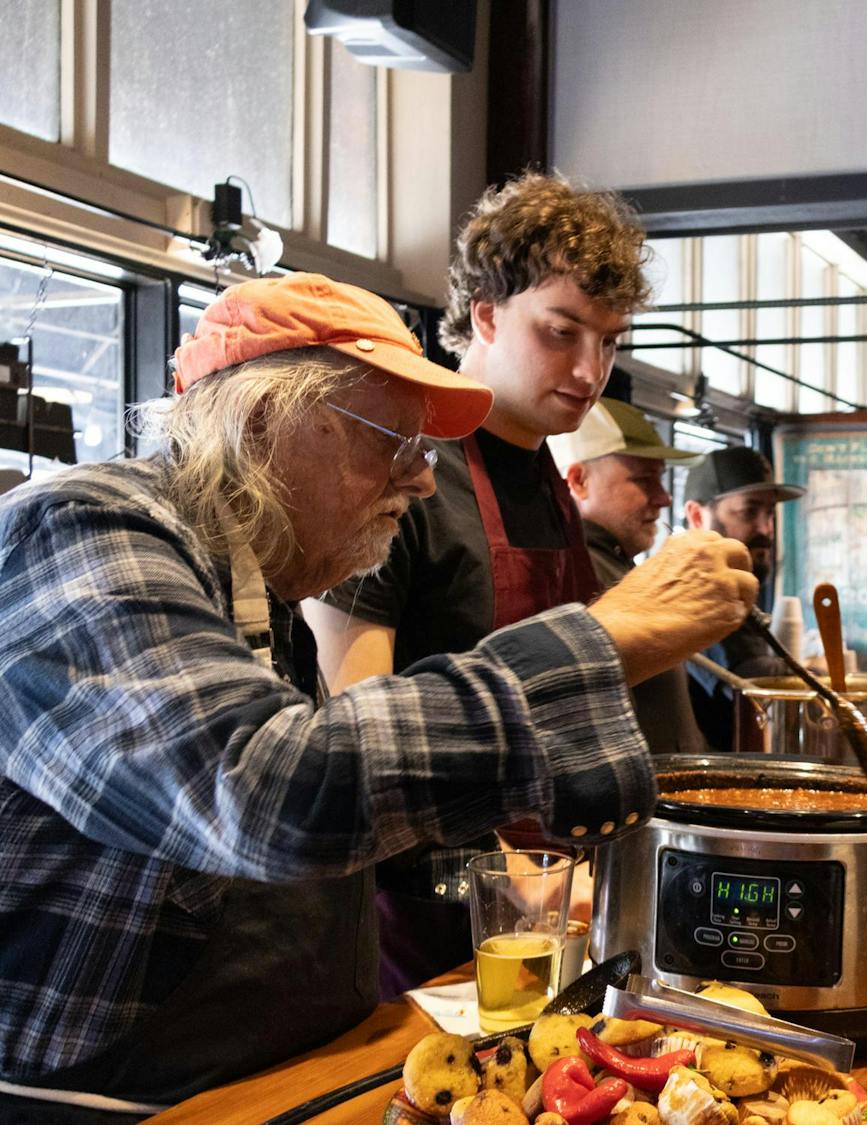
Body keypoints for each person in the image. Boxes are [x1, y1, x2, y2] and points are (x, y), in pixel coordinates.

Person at [0, 273, 756, 1121]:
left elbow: (321, 845)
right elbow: (260, 790)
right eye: (391, 440)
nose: (423, 480)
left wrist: (501, 884)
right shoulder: (79, 527)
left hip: (291, 1071)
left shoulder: (264, 592)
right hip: (104, 1100)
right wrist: (609, 636)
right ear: (262, 423)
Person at [304, 171, 653, 996]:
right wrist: (507, 879)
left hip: (549, 911)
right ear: (487, 313)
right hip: (422, 937)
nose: (589, 367)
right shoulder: (402, 476)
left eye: (608, 341)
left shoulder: (547, 487)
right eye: (563, 331)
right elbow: (358, 746)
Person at [549, 397, 708, 754]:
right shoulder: (578, 572)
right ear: (579, 480)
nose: (664, 498)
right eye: (643, 479)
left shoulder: (618, 565)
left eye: (661, 479)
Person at [681, 445, 805, 750]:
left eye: (769, 513)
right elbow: (752, 682)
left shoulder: (736, 590)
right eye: (749, 511)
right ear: (697, 516)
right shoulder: (696, 589)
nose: (765, 529)